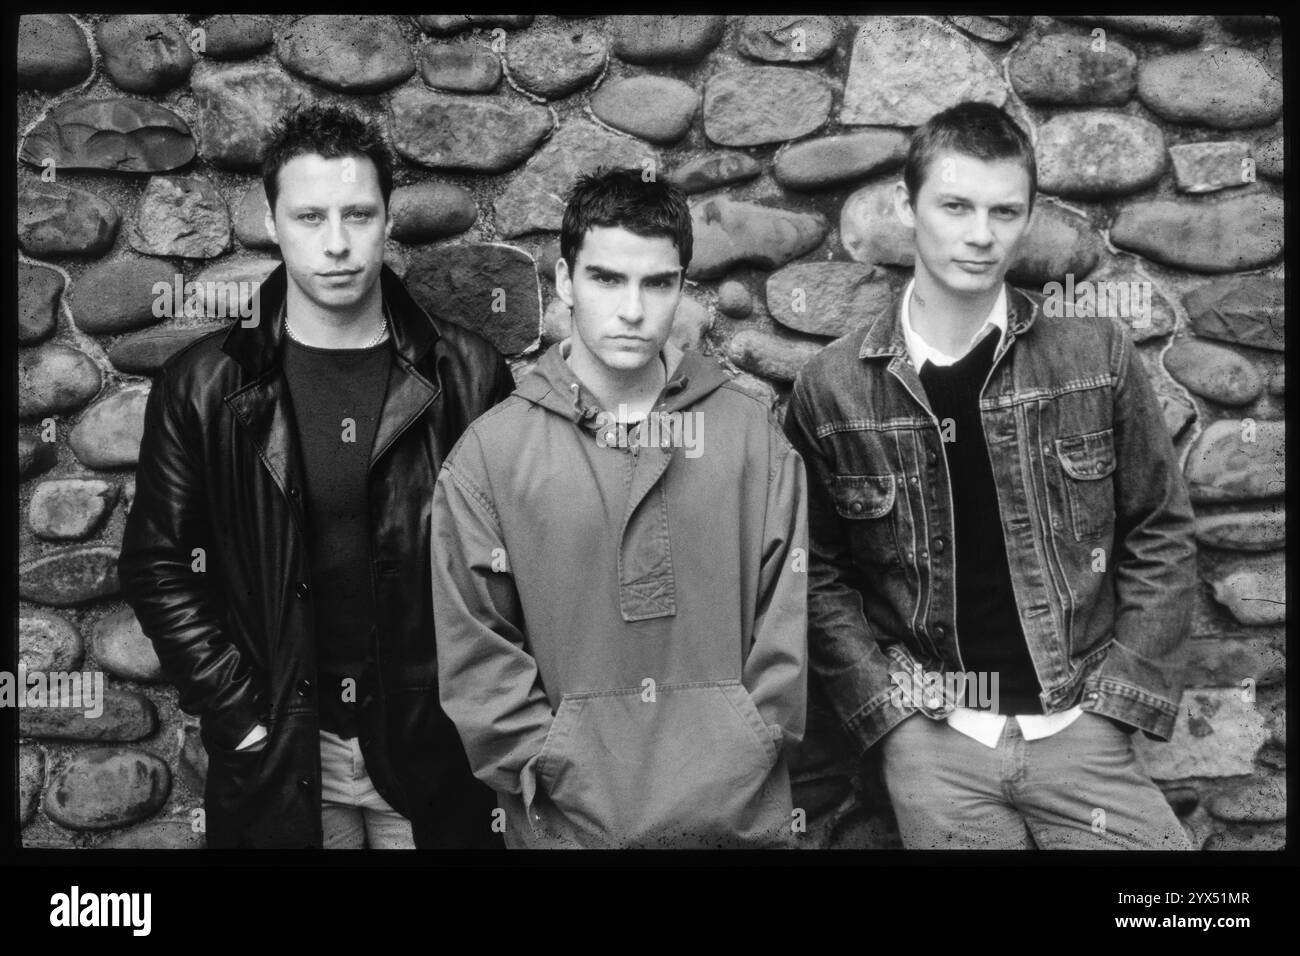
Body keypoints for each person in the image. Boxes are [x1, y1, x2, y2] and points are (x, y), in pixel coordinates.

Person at [783, 102, 1197, 850]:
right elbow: (818, 573)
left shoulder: (1094, 355)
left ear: (1028, 215)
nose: (981, 235)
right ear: (908, 209)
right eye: (955, 206)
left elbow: (1160, 529)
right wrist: (890, 717)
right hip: (935, 744)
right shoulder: (833, 387)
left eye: (1005, 211)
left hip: (1082, 729)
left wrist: (1116, 702)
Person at [119, 103, 512, 849]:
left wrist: (475, 715)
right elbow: (159, 563)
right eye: (309, 217)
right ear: (271, 221)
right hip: (285, 749)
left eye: (358, 214)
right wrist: (238, 712)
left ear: (389, 218)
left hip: (431, 752)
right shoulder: (202, 385)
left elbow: (513, 563)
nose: (336, 244)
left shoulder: (467, 373)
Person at [430, 169, 808, 849]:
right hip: (567, 831)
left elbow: (787, 634)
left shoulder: (754, 439)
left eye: (657, 283)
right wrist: (545, 768)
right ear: (567, 281)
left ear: (681, 287)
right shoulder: (491, 456)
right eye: (607, 279)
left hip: (736, 826)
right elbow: (478, 658)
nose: (633, 310)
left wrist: (749, 747)